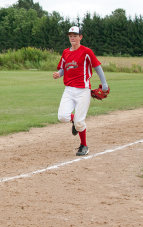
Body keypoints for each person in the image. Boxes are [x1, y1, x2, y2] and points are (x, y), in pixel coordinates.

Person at [53, 26, 109, 156]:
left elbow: (97, 66)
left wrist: (104, 84)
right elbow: (63, 68)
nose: (72, 38)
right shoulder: (65, 52)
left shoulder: (86, 51)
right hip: (68, 89)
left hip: (83, 90)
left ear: (80, 37)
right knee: (62, 116)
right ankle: (74, 120)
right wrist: (58, 74)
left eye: (75, 35)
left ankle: (84, 145)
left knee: (79, 122)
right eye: (70, 36)